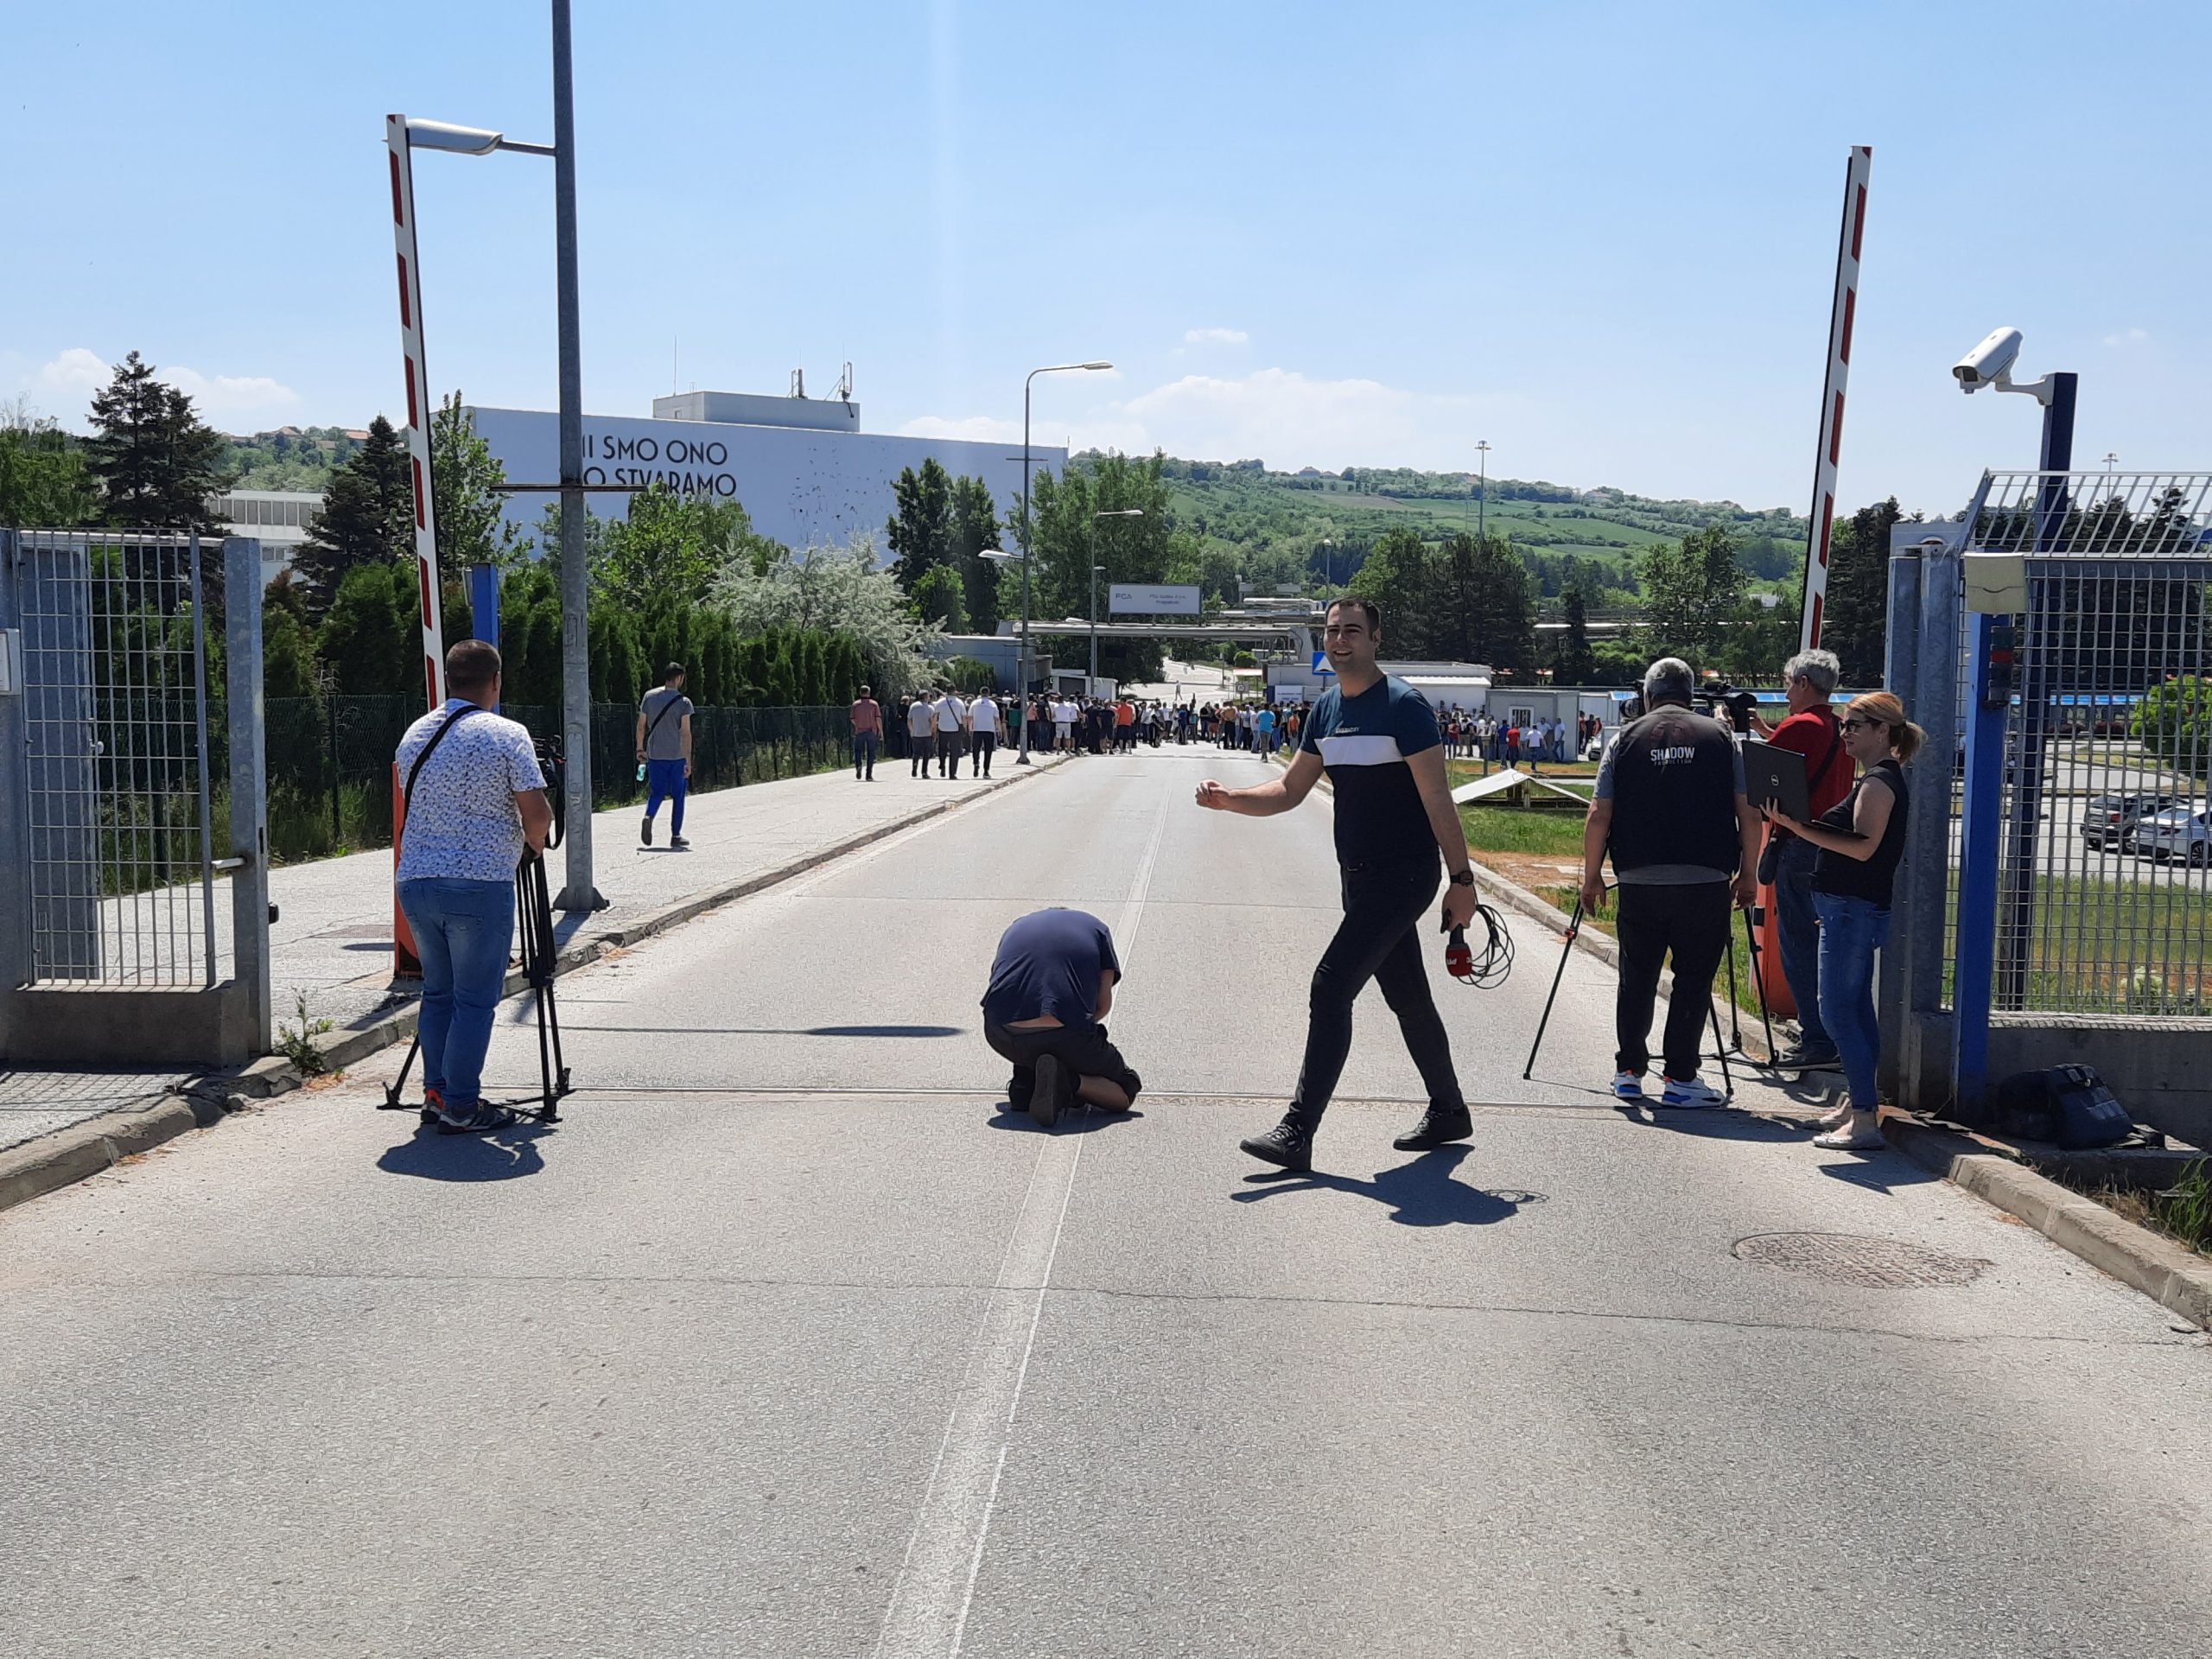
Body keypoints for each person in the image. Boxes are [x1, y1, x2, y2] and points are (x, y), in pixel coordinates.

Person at [1198, 595, 1480, 1172]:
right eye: (1332, 631)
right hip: (1358, 879)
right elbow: (1289, 790)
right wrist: (1231, 800)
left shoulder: (1404, 706)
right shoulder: (1326, 710)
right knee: (1408, 997)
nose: (1340, 640)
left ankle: (1298, 1130)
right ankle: (1450, 1110)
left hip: (1404, 876)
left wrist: (1462, 880)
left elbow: (1437, 799)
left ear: (1376, 639)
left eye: (1353, 630)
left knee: (1330, 988)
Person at [1580, 658, 1761, 1108]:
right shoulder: (1722, 739)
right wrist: (1749, 873)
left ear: (1648, 696)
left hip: (1639, 878)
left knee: (1636, 976)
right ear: (1690, 693)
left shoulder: (1624, 740)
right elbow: (1749, 811)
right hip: (1705, 877)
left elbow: (1599, 813)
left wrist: (1592, 876)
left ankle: (1628, 1071)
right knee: (1693, 978)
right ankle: (1681, 1077)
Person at [394, 640, 552, 1135]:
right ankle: (462, 1105)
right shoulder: (507, 734)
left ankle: (436, 1094)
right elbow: (537, 815)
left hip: (416, 881)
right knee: (475, 999)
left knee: (438, 993)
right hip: (478, 884)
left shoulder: (415, 734)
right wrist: (533, 847)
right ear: (496, 681)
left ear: (449, 680)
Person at [1763, 691, 1922, 1151]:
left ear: (1882, 731)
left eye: (1854, 725)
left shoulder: (1879, 783)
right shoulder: (1874, 778)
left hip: (1853, 910)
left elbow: (1864, 847)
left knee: (1836, 1012)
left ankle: (1865, 1120)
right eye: (1844, 724)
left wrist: (1799, 827)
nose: (1844, 732)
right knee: (1855, 1010)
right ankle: (1858, 1103)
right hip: (1846, 909)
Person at [1747, 649, 1852, 1070]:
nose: (1787, 693)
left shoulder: (1799, 726)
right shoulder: (1840, 727)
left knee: (1798, 944)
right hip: (1834, 846)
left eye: (1790, 684)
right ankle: (1833, 1034)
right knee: (1826, 944)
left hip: (1799, 845)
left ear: (1805, 683)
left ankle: (1816, 1039)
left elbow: (1761, 773)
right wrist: (1766, 730)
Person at [982, 907, 1143, 1127]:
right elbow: (1102, 1006)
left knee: (1032, 1029)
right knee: (1125, 1090)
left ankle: (1026, 1080)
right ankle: (1067, 1081)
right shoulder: (1098, 930)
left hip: (998, 1031)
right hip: (1064, 1034)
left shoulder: (1015, 928)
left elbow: (1003, 986)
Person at [637, 663, 693, 849]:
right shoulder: (684, 702)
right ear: (679, 678)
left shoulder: (649, 697)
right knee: (678, 795)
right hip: (676, 756)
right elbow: (686, 733)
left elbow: (641, 725)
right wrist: (688, 760)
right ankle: (676, 835)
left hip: (655, 754)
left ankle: (649, 815)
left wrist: (639, 748)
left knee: (658, 791)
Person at [934, 688, 969, 779]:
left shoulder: (940, 702)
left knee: (942, 749)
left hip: (943, 728)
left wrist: (934, 728)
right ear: (954, 691)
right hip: (955, 729)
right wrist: (964, 728)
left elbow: (935, 716)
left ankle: (942, 765)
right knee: (954, 752)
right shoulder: (959, 703)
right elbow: (964, 717)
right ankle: (952, 773)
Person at [850, 683, 882, 782]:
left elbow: (852, 718)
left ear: (860, 693)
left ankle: (859, 766)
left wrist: (858, 725)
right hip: (871, 731)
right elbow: (878, 718)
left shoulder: (855, 704)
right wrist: (881, 731)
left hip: (859, 731)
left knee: (858, 751)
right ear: (869, 693)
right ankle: (869, 774)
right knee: (871, 753)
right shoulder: (874, 704)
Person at [968, 689, 1001, 776]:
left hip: (977, 729)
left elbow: (970, 717)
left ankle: (976, 763)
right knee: (988, 751)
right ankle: (986, 771)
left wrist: (970, 728)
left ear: (980, 693)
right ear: (988, 693)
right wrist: (999, 730)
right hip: (989, 730)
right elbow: (997, 719)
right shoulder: (992, 704)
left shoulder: (974, 703)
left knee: (976, 749)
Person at [908, 690, 936, 778]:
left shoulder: (913, 706)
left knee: (916, 753)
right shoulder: (930, 708)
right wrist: (933, 732)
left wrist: (912, 730)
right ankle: (924, 772)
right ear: (926, 697)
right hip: (926, 733)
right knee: (926, 754)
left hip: (916, 733)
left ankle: (914, 768)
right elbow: (932, 722)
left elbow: (909, 719)